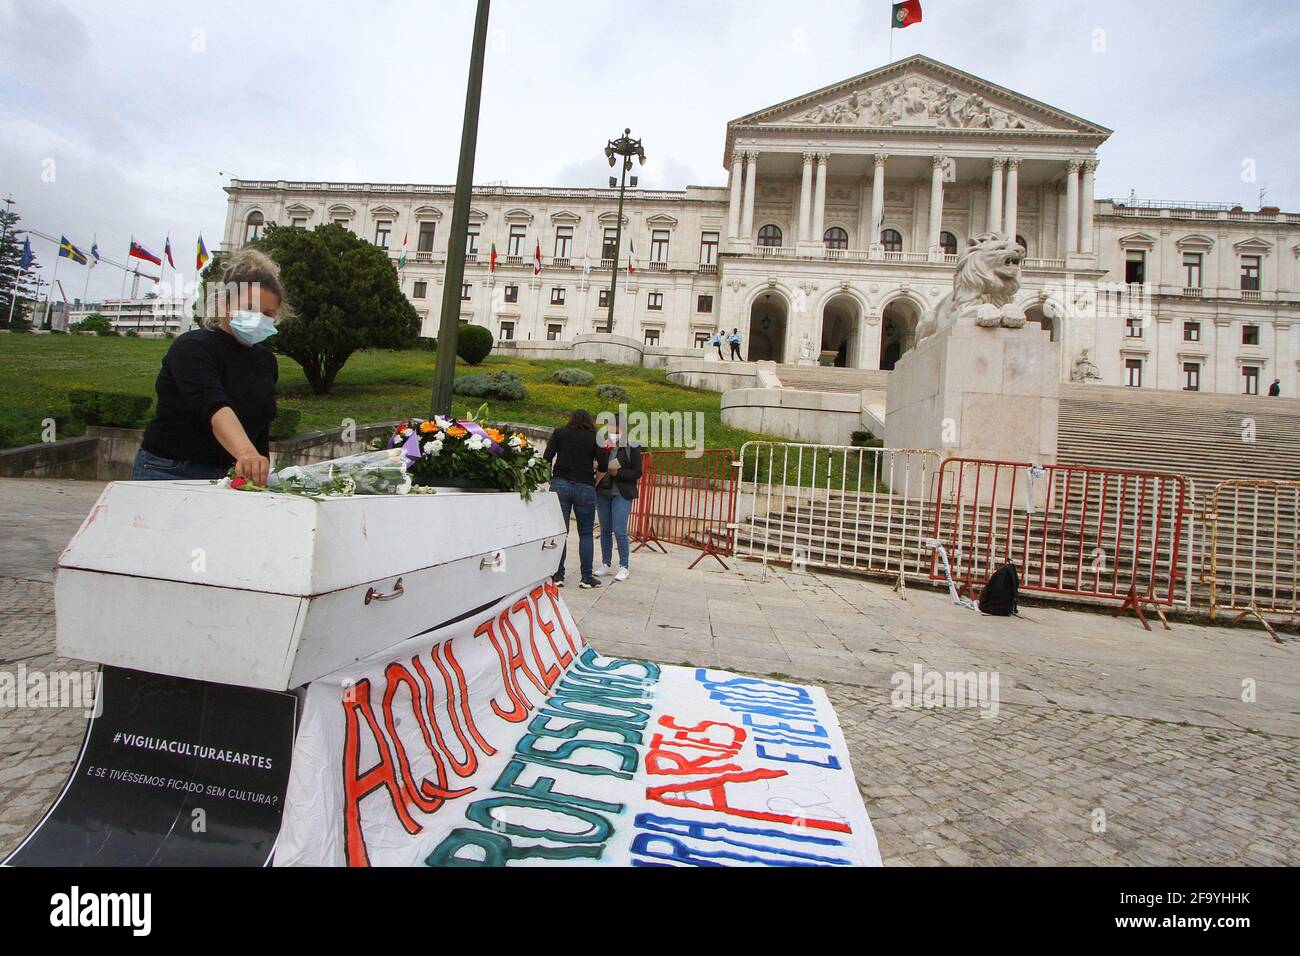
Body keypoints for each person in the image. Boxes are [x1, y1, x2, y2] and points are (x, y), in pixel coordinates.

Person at [133, 249, 285, 483]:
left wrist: (259, 469)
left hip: (229, 474)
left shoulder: (266, 360)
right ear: (224, 304)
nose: (258, 318)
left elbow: (260, 427)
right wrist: (246, 454)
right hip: (169, 470)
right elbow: (213, 406)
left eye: (268, 314)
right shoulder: (192, 347)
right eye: (249, 308)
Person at [544, 409, 603, 589]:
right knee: (586, 533)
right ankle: (586, 577)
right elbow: (605, 465)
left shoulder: (560, 432)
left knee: (562, 532)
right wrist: (594, 478)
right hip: (585, 485)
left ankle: (557, 575)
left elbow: (547, 457)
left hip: (560, 483)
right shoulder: (595, 437)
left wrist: (550, 477)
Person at [593, 419, 643, 582]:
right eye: (610, 432)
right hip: (603, 492)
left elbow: (637, 472)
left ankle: (624, 566)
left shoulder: (631, 447)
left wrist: (618, 473)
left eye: (616, 432)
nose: (613, 436)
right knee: (605, 530)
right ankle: (606, 563)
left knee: (619, 530)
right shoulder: (604, 447)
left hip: (621, 493)